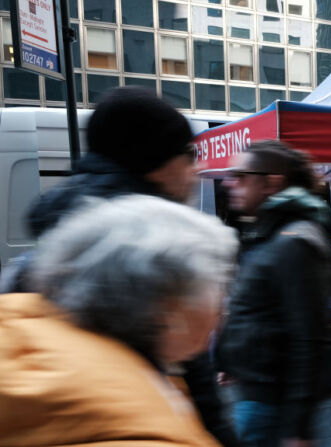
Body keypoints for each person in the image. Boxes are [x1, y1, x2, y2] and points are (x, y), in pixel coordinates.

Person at [0, 86, 239, 447]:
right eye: (189, 154)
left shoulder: (56, 240)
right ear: (157, 163)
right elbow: (196, 384)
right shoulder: (147, 249)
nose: (198, 168)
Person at [0, 195, 238, 446]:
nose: (223, 303)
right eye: (218, 283)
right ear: (170, 305)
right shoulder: (140, 428)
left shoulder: (27, 334)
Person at [214, 140, 331, 447]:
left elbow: (310, 338)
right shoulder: (264, 231)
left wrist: (298, 426)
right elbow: (252, 302)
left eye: (241, 175)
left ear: (271, 183)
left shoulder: (293, 242)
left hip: (271, 406)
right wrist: (230, 356)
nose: (230, 182)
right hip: (253, 393)